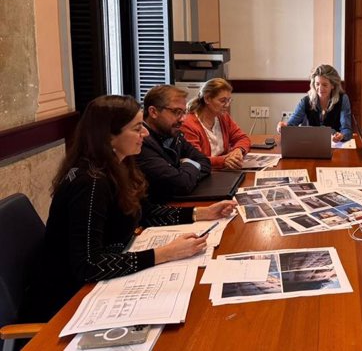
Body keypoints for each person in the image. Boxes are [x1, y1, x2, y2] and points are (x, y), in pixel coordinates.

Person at [22, 95, 236, 321]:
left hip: (103, 282)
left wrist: (202, 213)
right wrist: (164, 254)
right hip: (69, 302)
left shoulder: (118, 165)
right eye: (136, 129)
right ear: (109, 136)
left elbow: (146, 214)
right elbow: (88, 265)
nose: (145, 134)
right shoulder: (91, 182)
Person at [136, 85, 211, 202]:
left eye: (184, 112)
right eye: (177, 112)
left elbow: (204, 162)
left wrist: (184, 174)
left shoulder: (174, 135)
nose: (182, 119)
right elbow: (180, 185)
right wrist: (190, 165)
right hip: (156, 213)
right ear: (153, 112)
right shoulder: (140, 144)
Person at [180, 78, 251, 170]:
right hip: (203, 172)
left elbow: (242, 138)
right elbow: (196, 159)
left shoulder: (223, 117)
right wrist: (224, 161)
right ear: (207, 99)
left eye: (229, 100)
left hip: (222, 171)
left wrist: (238, 150)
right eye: (222, 101)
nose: (227, 105)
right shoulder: (188, 124)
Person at [276, 64, 352, 142]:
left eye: (325, 85)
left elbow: (346, 129)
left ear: (333, 85)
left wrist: (341, 136)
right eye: (317, 84)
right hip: (309, 145)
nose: (320, 88)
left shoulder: (343, 99)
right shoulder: (305, 101)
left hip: (334, 146)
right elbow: (290, 126)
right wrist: (283, 127)